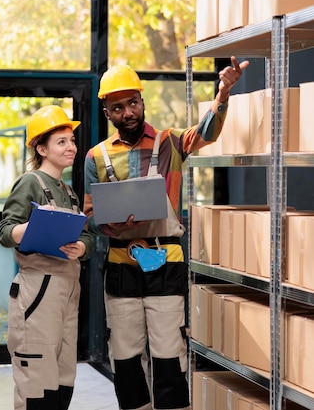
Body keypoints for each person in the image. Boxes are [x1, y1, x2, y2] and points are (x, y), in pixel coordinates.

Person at [83, 56, 249, 410]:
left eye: (132, 103)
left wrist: (223, 93)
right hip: (120, 263)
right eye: (118, 107)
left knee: (168, 352)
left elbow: (207, 133)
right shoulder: (95, 157)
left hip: (165, 260)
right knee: (125, 356)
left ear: (142, 102)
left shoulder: (170, 142)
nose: (127, 112)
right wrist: (113, 224)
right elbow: (90, 218)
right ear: (107, 113)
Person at [0, 105, 95, 410]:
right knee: (37, 375)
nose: (71, 147)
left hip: (68, 287)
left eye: (72, 140)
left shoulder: (68, 190)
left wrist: (82, 248)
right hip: (38, 288)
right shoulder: (30, 182)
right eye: (62, 141)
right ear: (41, 148)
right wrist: (31, 227)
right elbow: (5, 231)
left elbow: (86, 235)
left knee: (62, 375)